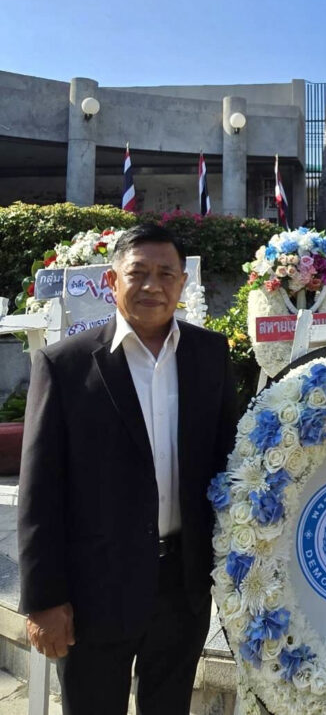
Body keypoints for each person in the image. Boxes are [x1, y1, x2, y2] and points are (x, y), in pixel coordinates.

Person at [18, 223, 239, 715]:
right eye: (137, 273)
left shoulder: (210, 356)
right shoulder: (66, 365)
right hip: (93, 591)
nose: (152, 286)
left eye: (166, 274)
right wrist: (43, 599)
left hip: (182, 586)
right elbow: (39, 492)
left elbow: (230, 464)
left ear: (183, 285)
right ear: (112, 282)